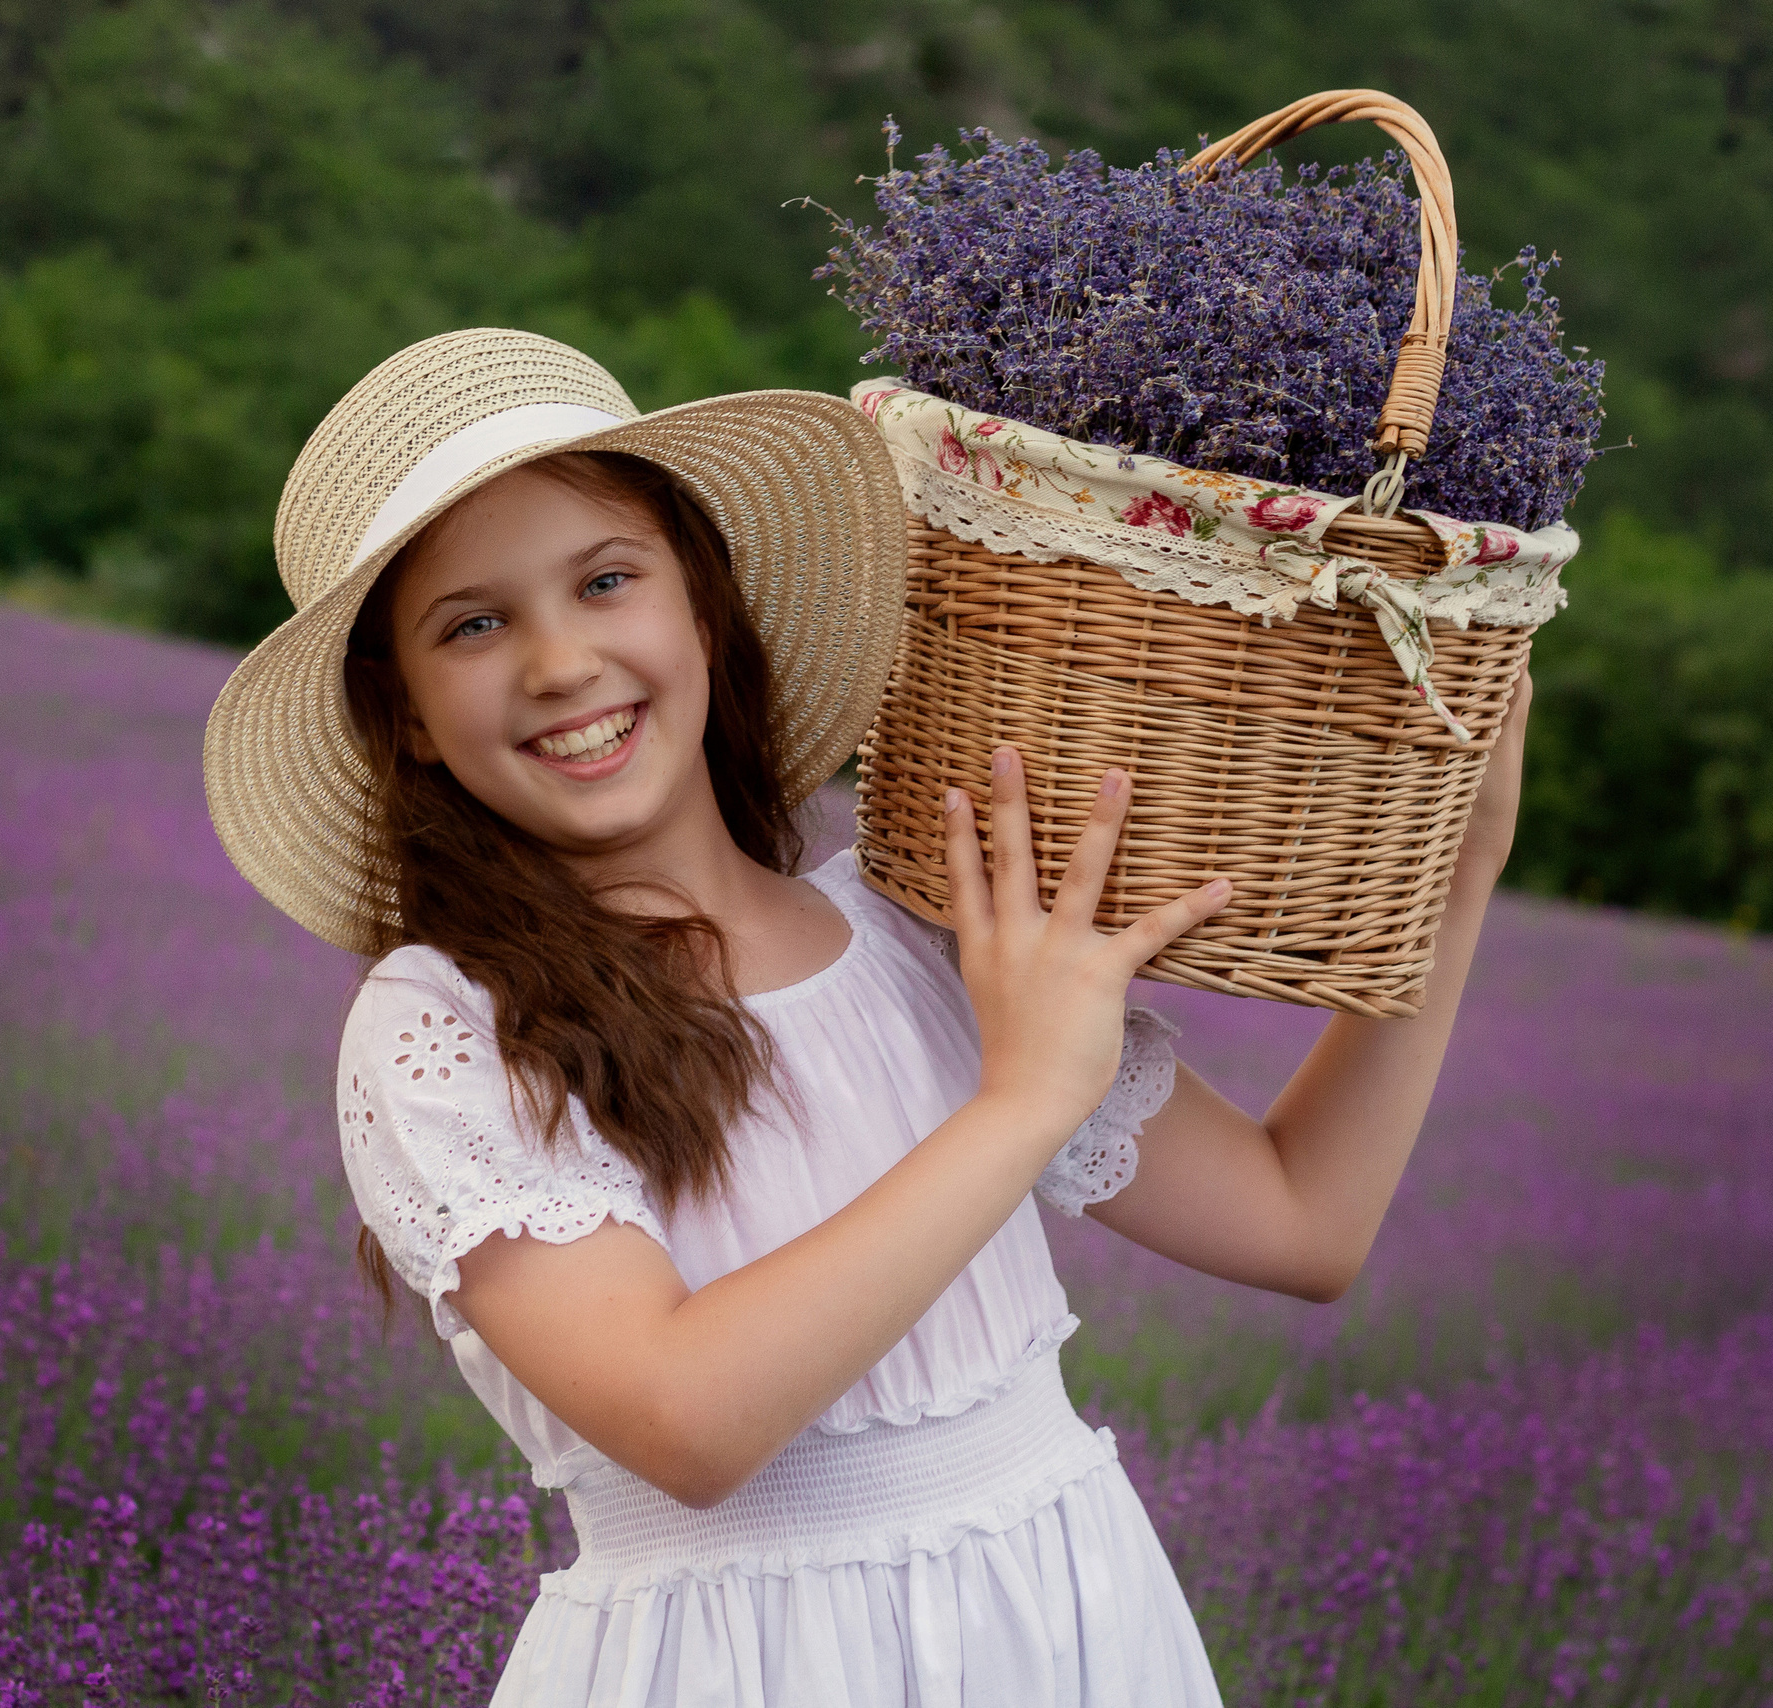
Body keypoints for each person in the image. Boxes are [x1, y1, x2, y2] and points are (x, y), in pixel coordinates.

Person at [202, 329, 1530, 1707]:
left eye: (606, 581)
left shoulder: (914, 924)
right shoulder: (447, 1026)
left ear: (700, 607)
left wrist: (1464, 875)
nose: (558, 662)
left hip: (1067, 1634)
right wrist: (1023, 1103)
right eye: (472, 625)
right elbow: (686, 1419)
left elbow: (1300, 1221)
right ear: (409, 718)